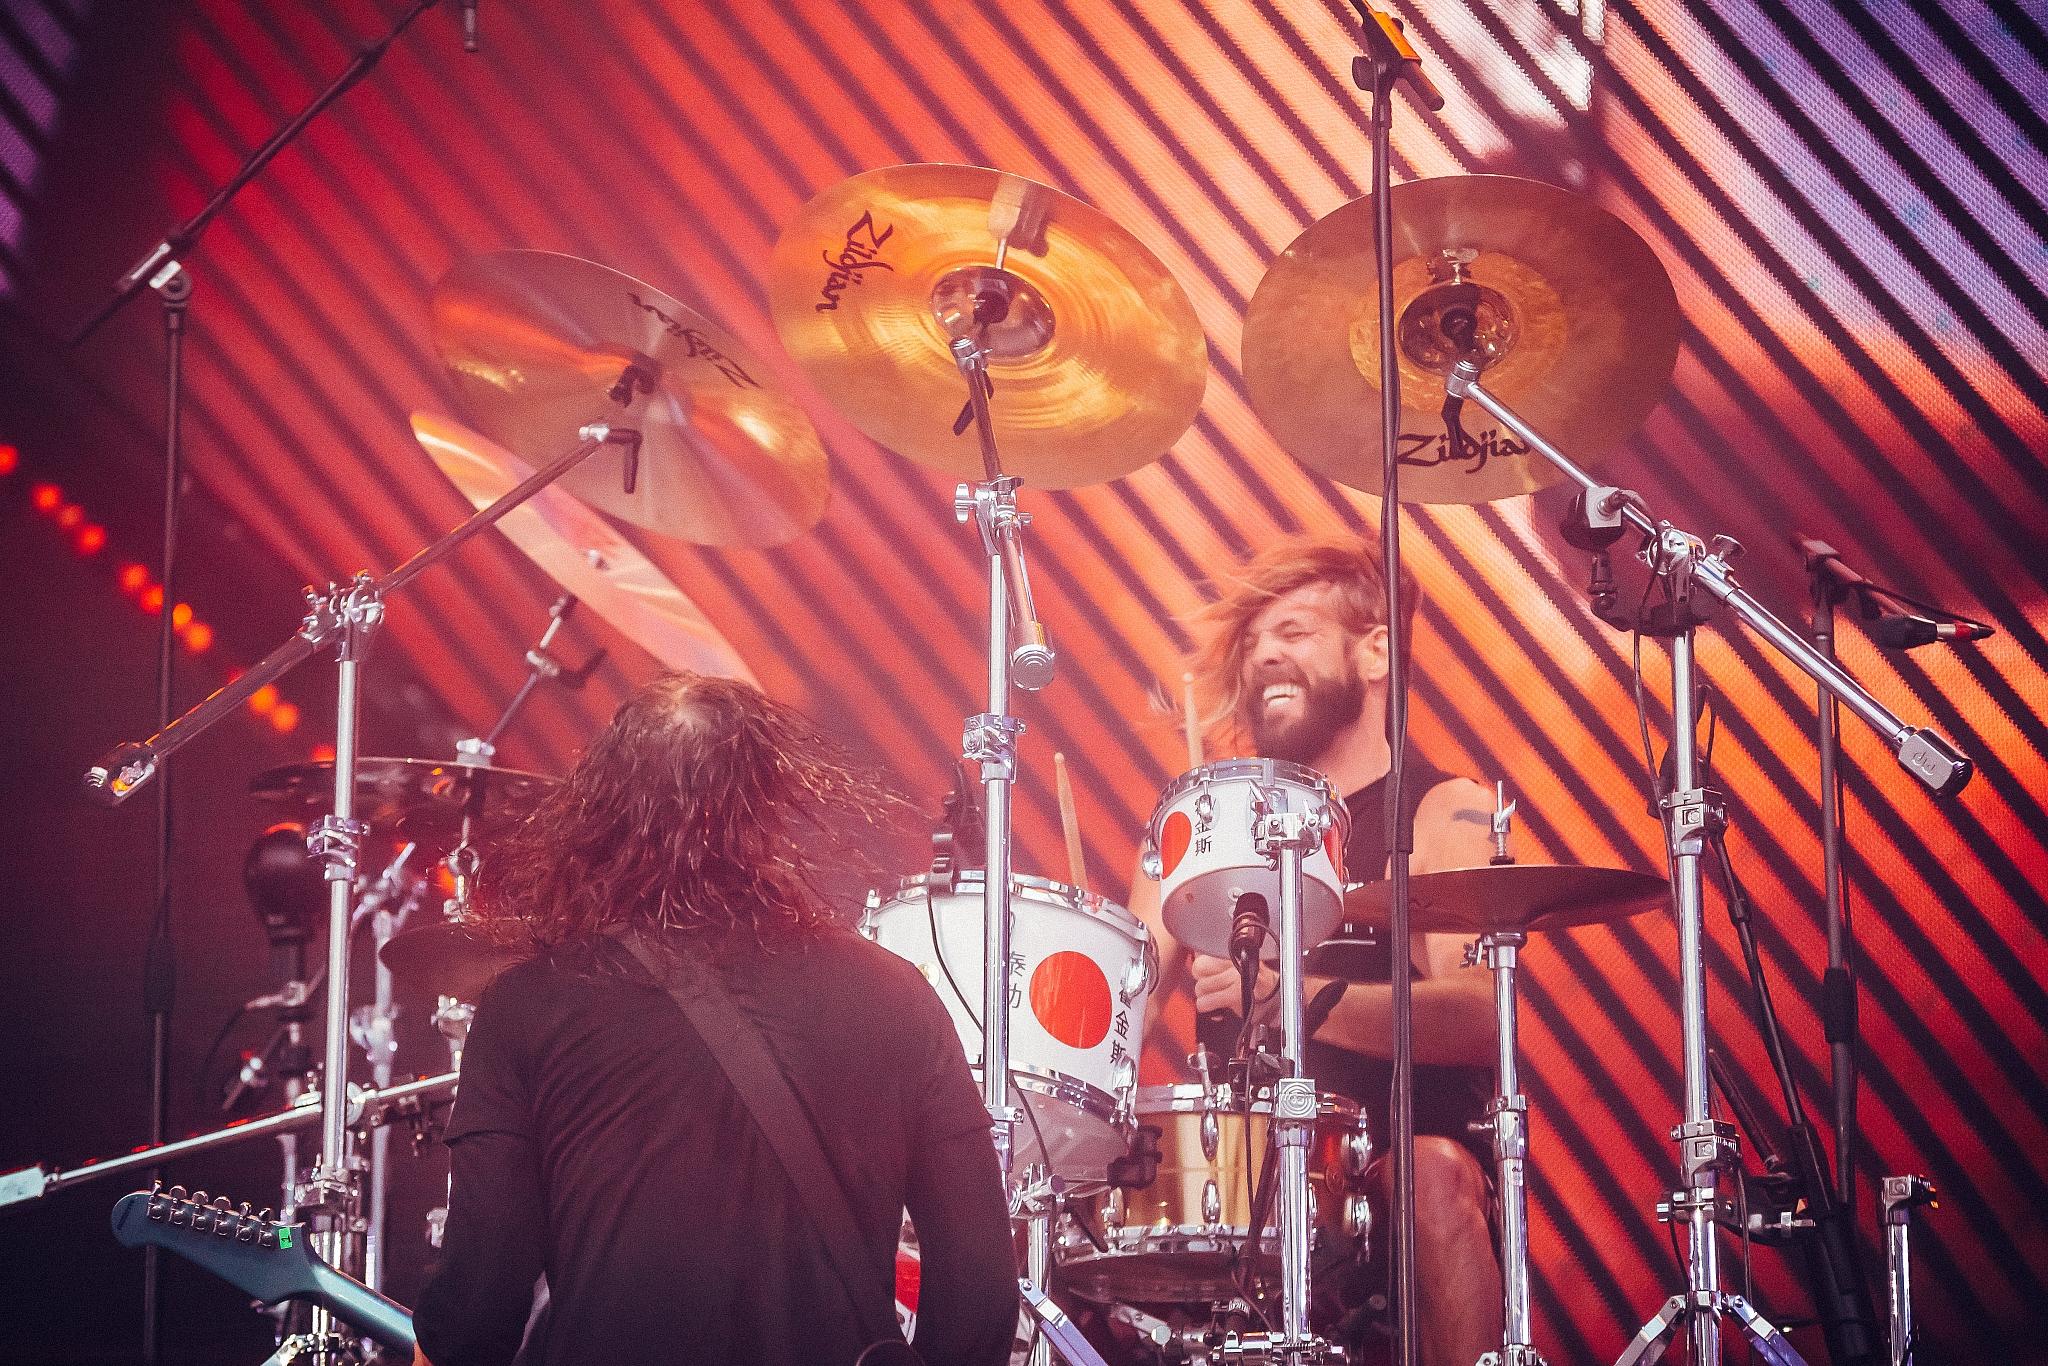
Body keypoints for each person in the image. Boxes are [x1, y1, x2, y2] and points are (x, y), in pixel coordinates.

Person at [412, 673, 1018, 1366]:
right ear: (766, 808)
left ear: (602, 811)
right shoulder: (897, 997)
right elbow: (981, 1294)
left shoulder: (526, 1006)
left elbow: (477, 1311)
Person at [1129, 536, 1506, 1366]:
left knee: (1434, 1175)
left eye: (1294, 632)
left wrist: (1293, 1000)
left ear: (1375, 654)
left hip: (1385, 1177)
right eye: (1255, 642)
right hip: (1236, 1178)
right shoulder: (1202, 823)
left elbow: (1484, 1017)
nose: (1264, 655)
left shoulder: (1444, 810)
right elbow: (1126, 1008)